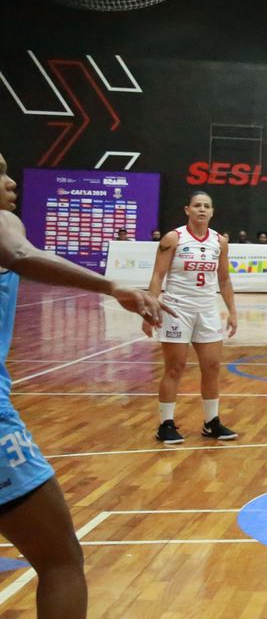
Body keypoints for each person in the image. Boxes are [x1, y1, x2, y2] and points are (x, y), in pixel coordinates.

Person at [0, 152, 168, 619]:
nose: (11, 182)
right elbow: (20, 254)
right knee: (61, 562)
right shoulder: (1, 219)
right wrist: (114, 287)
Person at [146, 191, 240, 444]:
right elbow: (158, 275)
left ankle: (212, 422)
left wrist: (232, 311)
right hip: (177, 309)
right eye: (197, 205)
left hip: (208, 310)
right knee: (174, 368)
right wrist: (149, 310)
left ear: (212, 212)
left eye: (206, 206)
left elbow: (224, 279)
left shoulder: (219, 242)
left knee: (212, 367)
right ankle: (165, 424)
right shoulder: (173, 238)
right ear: (187, 209)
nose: (201, 210)